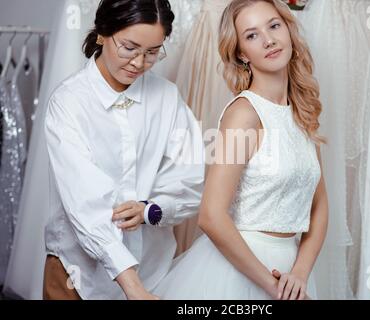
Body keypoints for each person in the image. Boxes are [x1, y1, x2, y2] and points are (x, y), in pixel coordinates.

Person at [154, 0, 328, 300]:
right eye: (251, 35)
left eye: (274, 26)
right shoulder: (245, 113)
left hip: (291, 272)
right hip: (240, 273)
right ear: (241, 54)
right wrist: (273, 287)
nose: (268, 40)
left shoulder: (302, 112)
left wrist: (300, 273)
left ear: (288, 30)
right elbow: (210, 215)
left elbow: (320, 206)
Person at [43, 0, 204, 300]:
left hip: (155, 271)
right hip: (78, 275)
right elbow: (86, 203)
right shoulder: (69, 102)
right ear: (103, 33)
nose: (139, 63)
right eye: (129, 48)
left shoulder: (167, 97)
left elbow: (192, 179)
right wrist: (133, 287)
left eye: (152, 52)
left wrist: (151, 210)